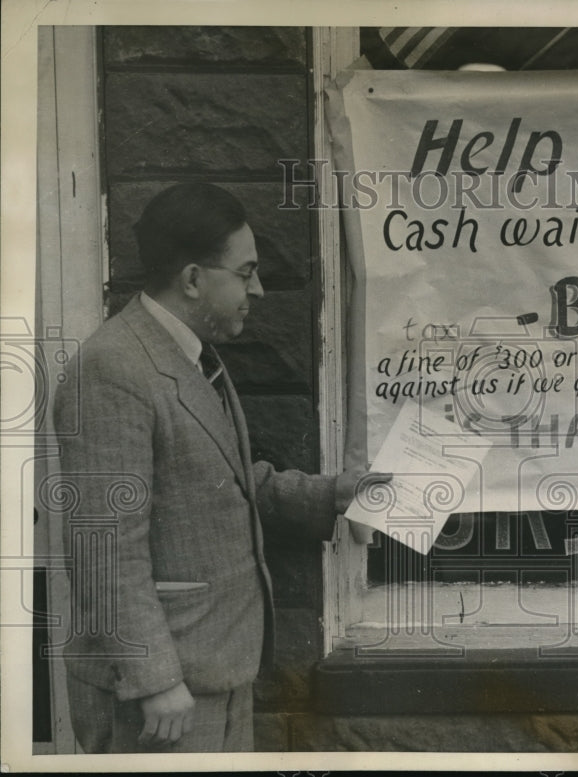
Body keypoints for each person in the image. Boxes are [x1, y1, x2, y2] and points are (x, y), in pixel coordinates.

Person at [53, 182, 386, 753]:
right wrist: (155, 680)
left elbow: (225, 480)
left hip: (215, 669)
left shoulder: (189, 355)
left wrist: (334, 493)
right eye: (246, 271)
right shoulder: (112, 370)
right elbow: (104, 545)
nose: (256, 289)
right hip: (163, 695)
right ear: (191, 279)